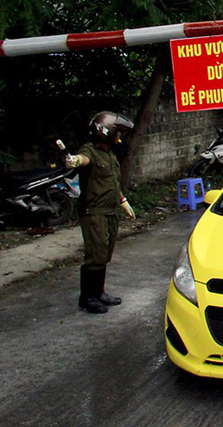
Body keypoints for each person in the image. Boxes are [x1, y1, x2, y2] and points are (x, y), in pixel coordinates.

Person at [65, 111, 136, 314]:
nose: (119, 137)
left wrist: (123, 201)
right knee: (95, 255)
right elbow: (83, 159)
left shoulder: (109, 153)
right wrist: (75, 161)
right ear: (106, 132)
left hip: (110, 211)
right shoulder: (90, 150)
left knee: (104, 254)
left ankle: (99, 292)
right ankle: (87, 298)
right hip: (94, 212)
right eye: (117, 133)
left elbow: (111, 182)